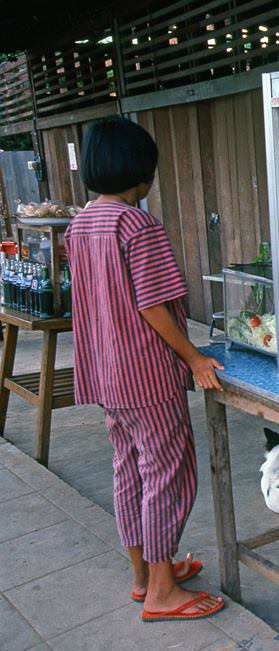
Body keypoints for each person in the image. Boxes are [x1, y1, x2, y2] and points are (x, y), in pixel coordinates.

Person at [67, 116, 226, 621]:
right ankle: (161, 592)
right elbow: (152, 305)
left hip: (107, 375)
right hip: (147, 375)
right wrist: (195, 357)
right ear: (138, 172)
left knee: (129, 470)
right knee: (167, 474)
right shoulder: (138, 224)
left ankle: (144, 575)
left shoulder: (80, 223)